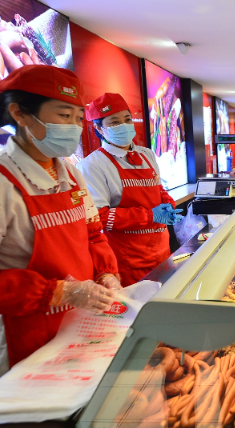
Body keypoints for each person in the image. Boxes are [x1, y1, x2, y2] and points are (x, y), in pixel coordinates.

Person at [0, 65, 122, 381]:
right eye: (63, 116)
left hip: (85, 326)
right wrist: (61, 292)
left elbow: (93, 235)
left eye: (77, 118)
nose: (74, 127)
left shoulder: (72, 175)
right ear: (19, 113)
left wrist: (108, 274)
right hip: (27, 338)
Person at [78, 93, 181, 287]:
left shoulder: (146, 154)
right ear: (99, 128)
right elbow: (99, 217)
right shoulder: (92, 165)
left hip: (161, 250)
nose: (123, 125)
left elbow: (159, 189)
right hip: (128, 260)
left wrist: (168, 204)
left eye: (127, 119)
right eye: (114, 122)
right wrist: (149, 216)